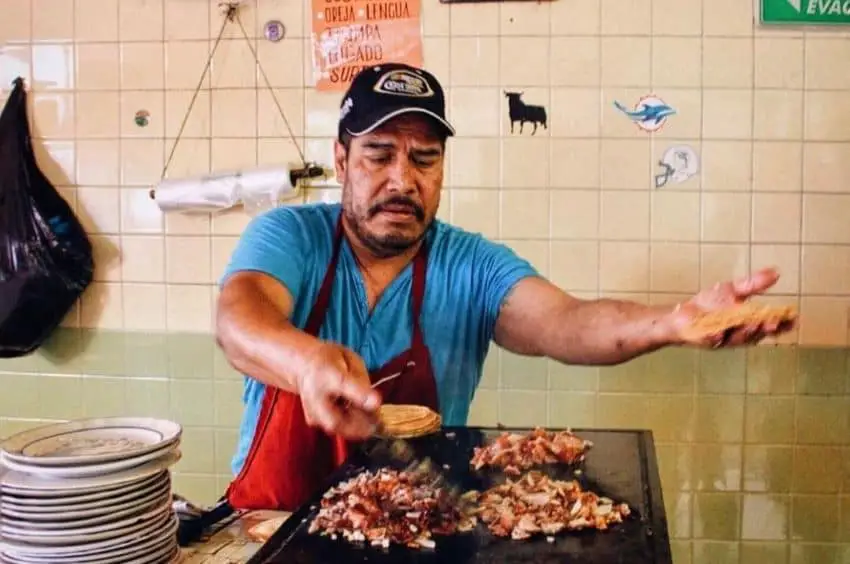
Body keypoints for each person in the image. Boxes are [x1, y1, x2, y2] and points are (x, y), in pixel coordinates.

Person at [215, 62, 793, 511]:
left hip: (420, 518)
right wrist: (308, 362)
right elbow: (240, 319)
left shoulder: (471, 264)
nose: (402, 179)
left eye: (425, 158)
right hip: (276, 522)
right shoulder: (292, 235)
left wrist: (669, 323)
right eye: (379, 155)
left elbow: (565, 323)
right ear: (341, 160)